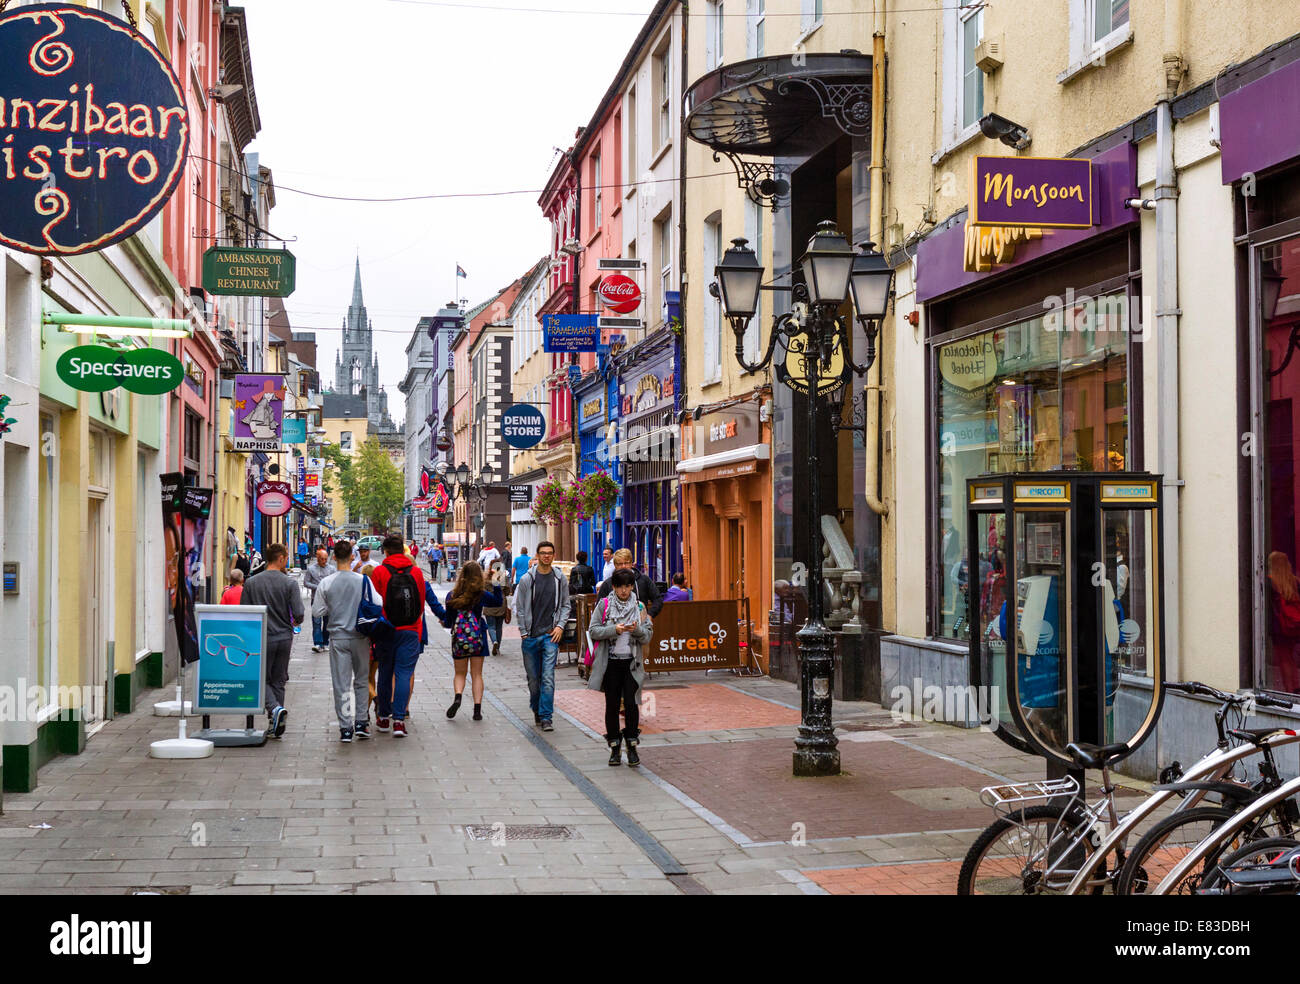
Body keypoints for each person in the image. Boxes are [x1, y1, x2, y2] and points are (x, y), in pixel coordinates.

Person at [587, 568, 653, 767]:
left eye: (627, 586)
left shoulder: (639, 607)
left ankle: (631, 746)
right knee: (613, 704)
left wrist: (637, 630)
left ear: (632, 587)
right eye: (620, 587)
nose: (624, 591)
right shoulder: (604, 605)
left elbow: (648, 635)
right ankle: (615, 747)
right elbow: (594, 630)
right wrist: (614, 630)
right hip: (611, 663)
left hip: (631, 663)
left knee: (632, 704)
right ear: (613, 587)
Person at [240, 543, 303, 739]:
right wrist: (293, 621)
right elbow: (299, 613)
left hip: (261, 637)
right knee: (279, 679)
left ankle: (275, 710)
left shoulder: (251, 583)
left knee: (261, 678)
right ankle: (275, 719)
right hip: (284, 637)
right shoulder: (289, 583)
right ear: (282, 558)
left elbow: (245, 611)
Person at [371, 535, 429, 738]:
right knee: (403, 674)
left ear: (385, 551)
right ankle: (399, 721)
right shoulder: (416, 572)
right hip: (410, 630)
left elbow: (374, 604)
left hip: (386, 630)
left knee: (385, 673)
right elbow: (421, 603)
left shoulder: (379, 572)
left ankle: (383, 717)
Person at [313, 541, 371, 742]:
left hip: (338, 637)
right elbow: (377, 603)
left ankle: (346, 728)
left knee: (341, 683)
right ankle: (362, 722)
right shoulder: (363, 580)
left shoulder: (326, 583)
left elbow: (316, 612)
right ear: (352, 557)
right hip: (361, 637)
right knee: (362, 680)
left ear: (334, 557)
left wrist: (334, 607)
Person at [513, 540, 570, 731]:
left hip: (549, 636)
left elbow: (565, 605)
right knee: (533, 680)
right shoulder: (527, 580)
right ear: (537, 556)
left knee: (547, 677)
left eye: (550, 553)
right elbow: (520, 607)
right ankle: (536, 708)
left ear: (553, 556)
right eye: (543, 553)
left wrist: (560, 626)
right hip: (530, 637)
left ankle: (546, 717)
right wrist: (523, 632)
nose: (547, 556)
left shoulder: (560, 578)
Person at [441, 561, 502, 721]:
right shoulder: (480, 594)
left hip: (459, 640)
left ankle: (458, 697)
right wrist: (495, 581)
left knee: (460, 673)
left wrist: (444, 621)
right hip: (478, 638)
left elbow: (448, 623)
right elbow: (498, 601)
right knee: (477, 674)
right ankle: (477, 710)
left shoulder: (452, 596)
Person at [596, 548, 664, 617]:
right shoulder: (608, 584)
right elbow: (599, 608)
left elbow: (658, 599)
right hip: (615, 625)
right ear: (615, 565)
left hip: (640, 625)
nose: (623, 566)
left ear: (631, 563)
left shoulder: (644, 580)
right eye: (620, 564)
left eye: (626, 563)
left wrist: (650, 615)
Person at [1268, 551, 1300, 693]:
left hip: (1280, 627)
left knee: (1284, 659)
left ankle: (1289, 689)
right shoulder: (1295, 581)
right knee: (1291, 658)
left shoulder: (1270, 581)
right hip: (1294, 625)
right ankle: (1295, 685)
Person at [302, 547, 333, 653]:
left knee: (327, 622)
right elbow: (306, 582)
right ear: (317, 558)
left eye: (325, 559)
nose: (324, 561)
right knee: (316, 622)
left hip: (328, 600)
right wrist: (318, 587)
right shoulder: (311, 569)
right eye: (322, 559)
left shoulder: (332, 569)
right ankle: (317, 643)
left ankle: (325, 642)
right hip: (316, 599)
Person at [481, 561, 510, 656]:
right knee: (499, 627)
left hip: (489, 604)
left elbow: (482, 591)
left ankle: (494, 641)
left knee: (490, 626)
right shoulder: (503, 577)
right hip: (500, 604)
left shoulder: (485, 578)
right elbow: (507, 591)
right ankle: (497, 648)